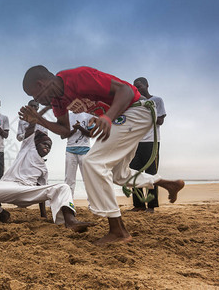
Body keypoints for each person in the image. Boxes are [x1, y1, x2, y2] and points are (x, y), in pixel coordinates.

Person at [20, 65, 184, 245]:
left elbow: (126, 91)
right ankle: (169, 184)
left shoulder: (76, 77)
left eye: (33, 94)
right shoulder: (58, 102)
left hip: (137, 110)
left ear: (40, 83)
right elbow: (65, 131)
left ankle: (118, 231)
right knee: (118, 174)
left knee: (93, 162)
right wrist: (40, 120)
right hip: (123, 118)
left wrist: (107, 117)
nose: (35, 99)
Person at [0, 127, 92, 232]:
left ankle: (71, 221)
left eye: (50, 147)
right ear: (35, 144)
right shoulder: (28, 150)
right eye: (45, 144)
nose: (47, 147)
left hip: (27, 191)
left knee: (64, 187)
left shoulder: (44, 169)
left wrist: (43, 215)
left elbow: (42, 189)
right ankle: (2, 214)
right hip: (9, 187)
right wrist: (34, 119)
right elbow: (30, 132)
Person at [129, 77, 166, 213]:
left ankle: (151, 206)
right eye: (135, 88)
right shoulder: (134, 104)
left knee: (151, 174)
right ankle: (138, 205)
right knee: (133, 173)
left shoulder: (156, 100)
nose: (138, 90)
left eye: (140, 87)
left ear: (147, 85)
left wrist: (148, 111)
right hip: (135, 143)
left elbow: (160, 121)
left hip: (151, 142)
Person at [63, 111, 94, 198]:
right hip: (70, 150)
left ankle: (92, 204)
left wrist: (79, 127)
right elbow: (63, 135)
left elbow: (91, 134)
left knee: (88, 179)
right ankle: (69, 203)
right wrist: (75, 129)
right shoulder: (67, 117)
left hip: (85, 150)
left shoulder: (88, 115)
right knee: (69, 180)